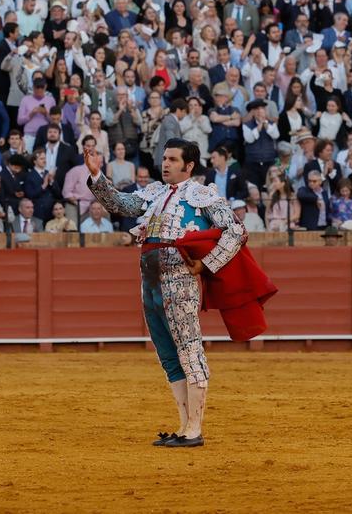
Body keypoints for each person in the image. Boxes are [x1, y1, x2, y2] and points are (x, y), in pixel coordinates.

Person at [84, 138, 247, 448]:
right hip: (150, 281)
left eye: (173, 159)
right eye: (165, 158)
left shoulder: (203, 195)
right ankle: (184, 426)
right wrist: (96, 176)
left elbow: (237, 231)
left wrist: (207, 264)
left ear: (189, 165)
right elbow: (120, 204)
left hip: (179, 282)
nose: (166, 164)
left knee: (189, 349)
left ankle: (195, 429)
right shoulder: (155, 192)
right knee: (168, 355)